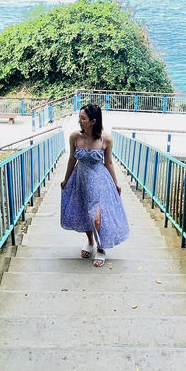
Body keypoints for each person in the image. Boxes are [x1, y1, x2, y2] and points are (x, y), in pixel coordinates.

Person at [60, 103, 129, 267]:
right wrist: (66, 179)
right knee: (85, 213)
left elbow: (109, 162)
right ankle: (90, 242)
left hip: (99, 181)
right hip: (80, 179)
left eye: (83, 118)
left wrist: (116, 183)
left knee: (97, 218)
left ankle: (101, 248)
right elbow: (72, 159)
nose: (79, 121)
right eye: (79, 117)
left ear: (93, 121)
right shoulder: (75, 137)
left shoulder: (106, 139)